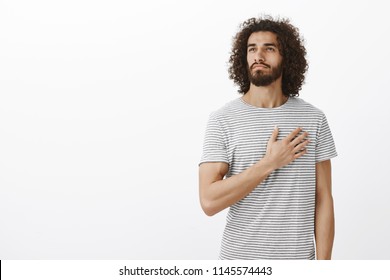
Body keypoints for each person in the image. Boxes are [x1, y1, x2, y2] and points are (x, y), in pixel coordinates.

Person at [198, 16, 337, 260]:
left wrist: (324, 267)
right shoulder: (222, 119)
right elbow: (209, 202)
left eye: (269, 48)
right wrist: (269, 163)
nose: (258, 56)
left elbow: (323, 198)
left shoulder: (313, 118)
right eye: (252, 49)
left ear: (287, 58)